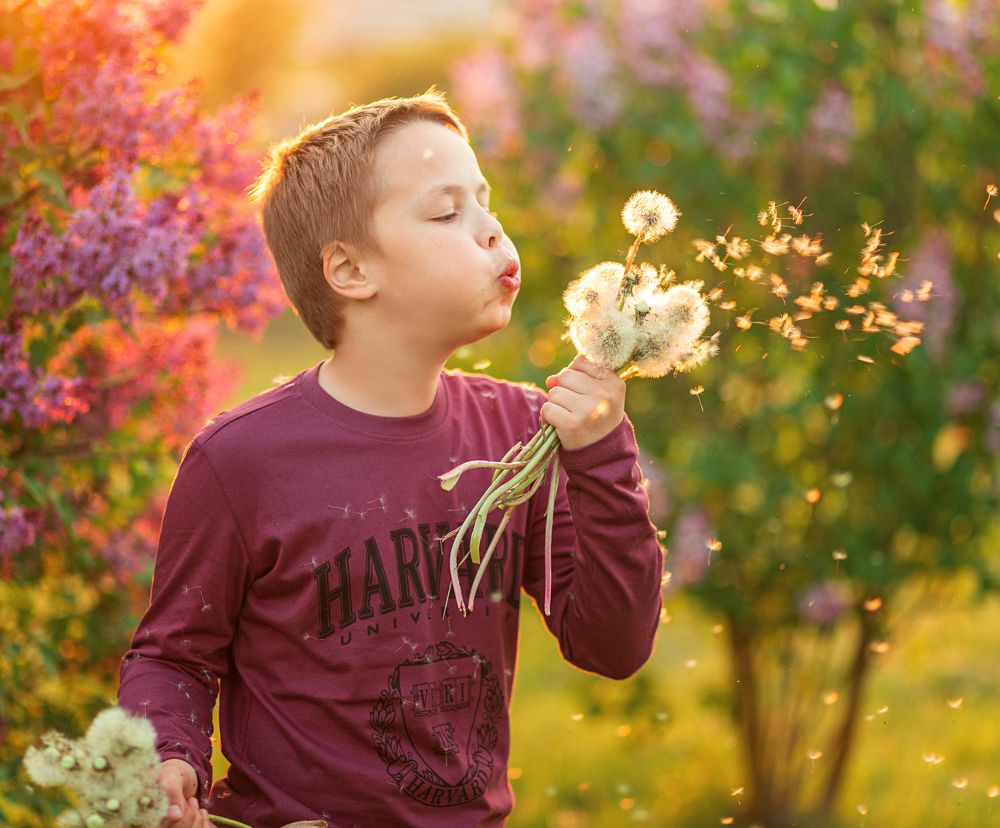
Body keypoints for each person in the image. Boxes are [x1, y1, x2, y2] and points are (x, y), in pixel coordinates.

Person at [117, 90, 664, 828]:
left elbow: (612, 643)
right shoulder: (241, 460)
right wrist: (169, 755)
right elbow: (174, 657)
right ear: (349, 271)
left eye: (484, 201)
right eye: (447, 213)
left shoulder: (517, 432)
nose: (491, 229)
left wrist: (600, 455)